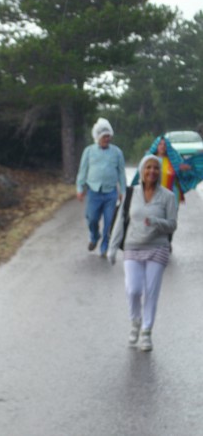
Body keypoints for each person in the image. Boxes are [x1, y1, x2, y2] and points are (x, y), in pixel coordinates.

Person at [108, 154, 177, 351]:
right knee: (133, 289)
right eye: (148, 167)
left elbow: (172, 225)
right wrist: (112, 248)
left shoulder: (168, 197)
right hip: (132, 247)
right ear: (141, 171)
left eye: (156, 168)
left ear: (159, 172)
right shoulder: (131, 194)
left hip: (157, 248)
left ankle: (146, 332)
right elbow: (120, 221)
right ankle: (135, 321)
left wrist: (157, 223)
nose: (152, 171)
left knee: (151, 292)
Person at [76, 117, 126, 257]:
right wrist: (80, 188)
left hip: (110, 193)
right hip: (94, 192)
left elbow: (121, 173)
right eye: (104, 136)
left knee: (109, 221)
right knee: (92, 219)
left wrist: (122, 191)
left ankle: (104, 247)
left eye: (108, 136)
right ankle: (94, 236)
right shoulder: (89, 151)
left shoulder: (117, 152)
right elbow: (82, 171)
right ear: (97, 136)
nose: (107, 139)